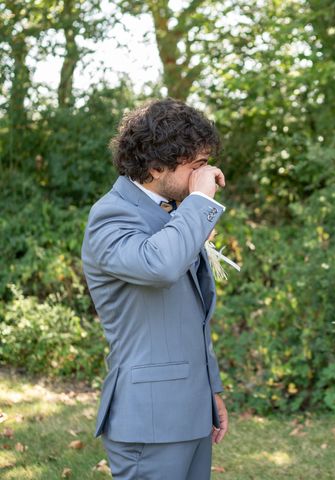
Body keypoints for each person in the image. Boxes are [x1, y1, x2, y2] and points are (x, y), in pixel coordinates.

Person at [81, 98, 229, 479]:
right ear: (155, 166)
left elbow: (190, 316)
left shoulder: (175, 212)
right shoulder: (111, 216)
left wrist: (209, 389)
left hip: (190, 411)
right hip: (150, 420)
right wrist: (198, 203)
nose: (208, 174)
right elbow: (159, 266)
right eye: (196, 166)